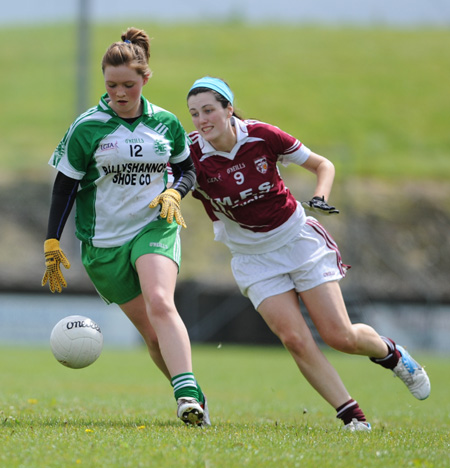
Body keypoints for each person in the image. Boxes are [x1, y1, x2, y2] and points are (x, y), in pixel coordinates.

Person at [186, 76, 430, 431]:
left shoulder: (262, 136)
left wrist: (321, 196)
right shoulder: (191, 153)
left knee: (339, 337)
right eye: (194, 114)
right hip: (253, 259)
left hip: (298, 242)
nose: (202, 120)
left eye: (209, 110)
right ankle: (352, 417)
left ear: (228, 108)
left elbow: (323, 165)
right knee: (295, 340)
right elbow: (167, 180)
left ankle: (392, 355)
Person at [41, 27, 209, 427]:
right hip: (103, 245)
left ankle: (184, 395)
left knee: (160, 299)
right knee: (152, 337)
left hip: (154, 227)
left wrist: (175, 193)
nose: (120, 92)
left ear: (145, 80)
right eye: (112, 84)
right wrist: (51, 239)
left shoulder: (166, 124)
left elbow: (188, 170)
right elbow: (64, 188)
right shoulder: (87, 127)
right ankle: (195, 399)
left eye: (129, 85)